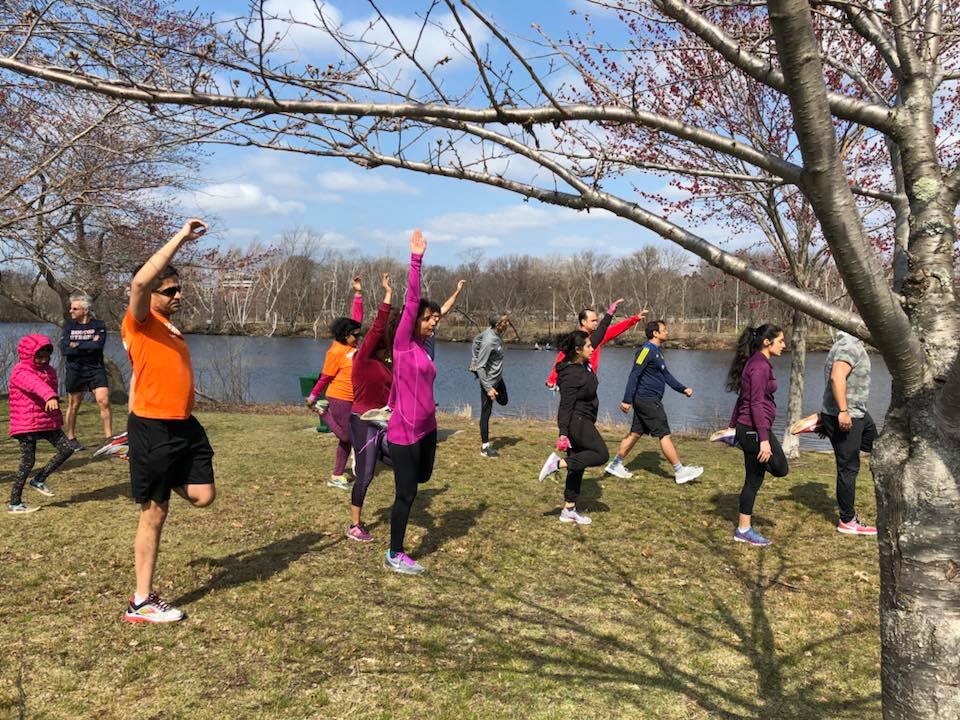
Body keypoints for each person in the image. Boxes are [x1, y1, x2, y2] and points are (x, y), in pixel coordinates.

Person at [121, 218, 216, 623]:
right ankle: (141, 601)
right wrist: (180, 237)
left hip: (183, 425)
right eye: (170, 290)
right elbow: (141, 285)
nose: (178, 295)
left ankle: (150, 470)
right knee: (155, 512)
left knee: (203, 495)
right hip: (154, 427)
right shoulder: (139, 320)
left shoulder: (169, 327)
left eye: (180, 289)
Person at [384, 230, 441, 575]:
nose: (434, 321)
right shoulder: (404, 344)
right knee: (406, 495)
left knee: (423, 479)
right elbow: (412, 300)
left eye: (436, 318)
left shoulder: (423, 348)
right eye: (429, 317)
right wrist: (416, 260)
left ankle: (391, 464)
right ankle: (395, 552)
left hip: (428, 429)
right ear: (413, 320)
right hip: (404, 432)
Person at [606, 320, 703, 483]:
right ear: (655, 333)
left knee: (636, 433)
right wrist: (626, 400)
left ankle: (615, 464)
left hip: (648, 400)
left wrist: (682, 389)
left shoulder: (657, 351)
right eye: (664, 330)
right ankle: (680, 471)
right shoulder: (645, 350)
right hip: (647, 400)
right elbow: (634, 374)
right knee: (664, 434)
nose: (667, 332)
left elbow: (666, 375)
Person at [346, 272, 400, 542]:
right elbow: (377, 326)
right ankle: (354, 525)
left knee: (402, 461)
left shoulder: (386, 361)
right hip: (363, 420)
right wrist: (387, 296)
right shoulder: (363, 357)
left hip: (385, 421)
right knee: (365, 475)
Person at [725, 324, 788, 547]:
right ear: (766, 342)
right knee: (767, 473)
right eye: (780, 341)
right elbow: (755, 403)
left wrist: (732, 426)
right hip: (754, 429)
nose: (784, 345)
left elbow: (743, 397)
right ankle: (743, 530)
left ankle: (744, 528)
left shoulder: (756, 363)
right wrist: (763, 440)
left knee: (763, 474)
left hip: (750, 428)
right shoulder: (759, 367)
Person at [537, 331, 609, 525]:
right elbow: (565, 406)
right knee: (601, 454)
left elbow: (600, 335)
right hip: (578, 422)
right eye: (588, 346)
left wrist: (610, 314)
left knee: (577, 467)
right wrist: (563, 433)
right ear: (578, 350)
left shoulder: (580, 365)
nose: (592, 349)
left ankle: (568, 510)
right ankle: (556, 464)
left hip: (583, 420)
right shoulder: (571, 374)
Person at [306, 278, 364, 489]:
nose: (358, 336)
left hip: (352, 397)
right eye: (355, 335)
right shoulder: (336, 351)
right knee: (347, 436)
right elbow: (325, 376)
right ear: (344, 335)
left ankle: (337, 475)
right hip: (338, 397)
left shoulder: (352, 345)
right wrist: (313, 396)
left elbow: (356, 320)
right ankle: (323, 413)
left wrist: (358, 295)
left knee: (345, 440)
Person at [7, 334, 75, 513]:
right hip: (26, 421)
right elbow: (35, 384)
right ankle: (15, 503)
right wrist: (50, 396)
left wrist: (56, 414)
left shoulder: (50, 371)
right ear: (29, 355)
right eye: (39, 356)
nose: (43, 359)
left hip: (47, 421)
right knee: (27, 461)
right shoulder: (20, 371)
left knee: (67, 448)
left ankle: (39, 479)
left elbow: (47, 388)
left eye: (46, 356)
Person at [820, 332, 877, 536]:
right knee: (849, 466)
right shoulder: (850, 345)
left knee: (878, 446)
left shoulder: (847, 343)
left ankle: (820, 422)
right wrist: (843, 411)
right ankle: (847, 520)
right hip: (846, 415)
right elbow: (836, 376)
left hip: (857, 413)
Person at [60, 294, 115, 452]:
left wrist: (75, 345)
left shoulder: (99, 325)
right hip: (75, 370)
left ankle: (109, 439)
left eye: (74, 308)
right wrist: (87, 344)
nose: (71, 311)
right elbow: (64, 349)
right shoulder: (69, 326)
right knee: (74, 404)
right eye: (71, 308)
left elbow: (98, 346)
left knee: (103, 401)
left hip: (95, 369)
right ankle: (71, 438)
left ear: (85, 310)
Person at [544, 301, 644, 388]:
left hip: (589, 383)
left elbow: (617, 329)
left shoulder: (598, 337)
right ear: (583, 321)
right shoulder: (576, 339)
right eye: (593, 321)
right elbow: (561, 358)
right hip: (576, 382)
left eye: (596, 321)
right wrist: (552, 379)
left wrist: (635, 319)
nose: (596, 323)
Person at [474, 312, 510, 458]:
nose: (508, 324)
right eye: (505, 322)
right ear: (498, 324)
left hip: (498, 378)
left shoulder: (495, 333)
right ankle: (485, 447)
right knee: (486, 413)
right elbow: (480, 366)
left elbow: (476, 341)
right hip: (488, 381)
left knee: (504, 400)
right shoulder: (489, 341)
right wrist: (488, 388)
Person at [423, 279, 466, 361]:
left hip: (429, 367)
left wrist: (457, 291)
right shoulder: (420, 326)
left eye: (438, 316)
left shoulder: (433, 322)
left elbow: (446, 306)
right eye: (435, 316)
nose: (437, 319)